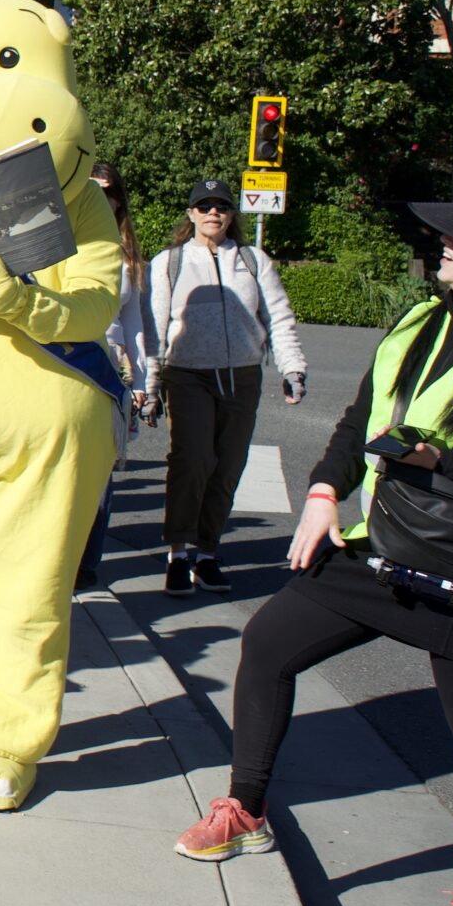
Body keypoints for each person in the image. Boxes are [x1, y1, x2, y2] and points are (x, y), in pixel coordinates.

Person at [174, 184, 453, 906]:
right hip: (388, 541)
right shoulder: (421, 320)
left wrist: (443, 461)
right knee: (268, 644)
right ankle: (246, 809)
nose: (445, 245)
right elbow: (360, 421)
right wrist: (324, 492)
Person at [149, 178, 307, 596]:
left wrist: (293, 368)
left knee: (227, 465)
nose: (212, 213)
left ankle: (207, 553)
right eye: (204, 206)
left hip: (242, 375)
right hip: (188, 374)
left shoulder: (253, 260)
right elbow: (155, 325)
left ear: (231, 214)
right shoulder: (169, 262)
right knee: (192, 460)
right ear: (191, 214)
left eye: (220, 206)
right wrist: (151, 384)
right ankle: (178, 554)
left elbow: (278, 316)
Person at [79, 161, 154, 588]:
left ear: (118, 200)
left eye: (107, 191)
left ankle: (87, 562)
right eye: (90, 187)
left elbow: (136, 322)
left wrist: (142, 381)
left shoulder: (129, 257)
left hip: (110, 367)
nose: (99, 196)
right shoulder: (62, 237)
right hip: (68, 357)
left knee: (102, 470)